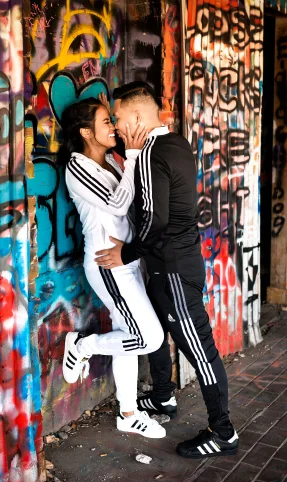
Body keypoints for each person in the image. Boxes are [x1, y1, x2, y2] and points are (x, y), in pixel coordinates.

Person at [94, 82, 239, 458]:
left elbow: (154, 221)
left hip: (173, 269)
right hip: (172, 265)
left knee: (200, 351)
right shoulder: (176, 142)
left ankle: (222, 432)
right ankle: (162, 398)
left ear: (139, 117)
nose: (118, 127)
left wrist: (125, 254)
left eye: (121, 118)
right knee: (155, 331)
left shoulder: (149, 154)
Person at [59, 96, 167, 439]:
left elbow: (133, 199)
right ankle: (82, 346)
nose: (113, 127)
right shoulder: (78, 166)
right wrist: (134, 156)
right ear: (86, 132)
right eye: (106, 122)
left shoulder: (111, 160)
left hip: (128, 259)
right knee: (148, 337)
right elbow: (119, 204)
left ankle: (128, 412)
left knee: (126, 335)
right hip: (108, 264)